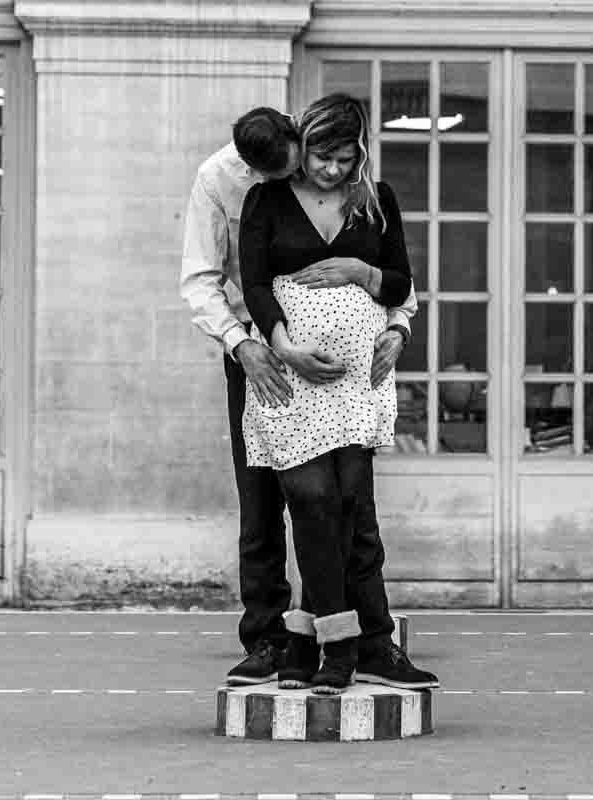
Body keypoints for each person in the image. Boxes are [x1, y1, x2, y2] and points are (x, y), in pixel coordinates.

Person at [181, 105, 430, 688]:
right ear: (259, 166)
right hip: (261, 357)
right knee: (268, 506)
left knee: (351, 508)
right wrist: (252, 344)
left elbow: (398, 279)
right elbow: (210, 279)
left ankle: (363, 639)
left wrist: (391, 318)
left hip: (351, 380)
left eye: (334, 160)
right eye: (310, 164)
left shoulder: (362, 188)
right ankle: (274, 637)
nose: (320, 172)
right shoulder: (223, 183)